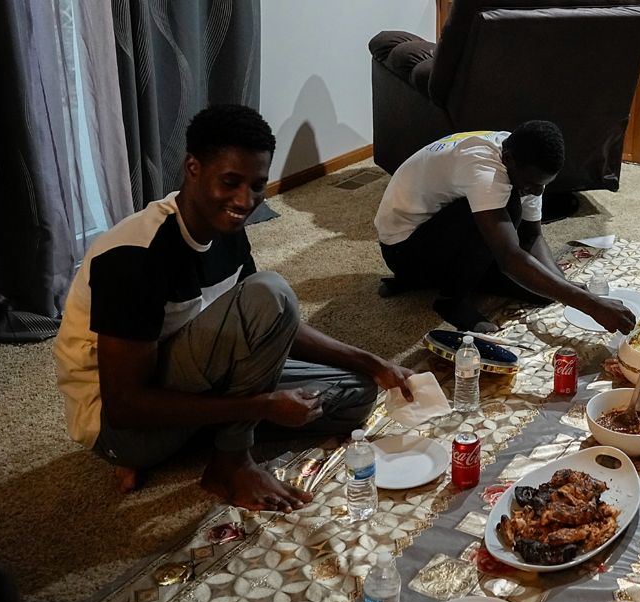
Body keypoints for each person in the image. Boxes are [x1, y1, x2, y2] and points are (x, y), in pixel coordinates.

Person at [54, 105, 414, 512]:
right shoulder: (135, 257)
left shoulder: (224, 228)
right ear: (193, 168)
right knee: (271, 292)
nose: (246, 200)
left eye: (257, 185)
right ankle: (230, 461)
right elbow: (125, 405)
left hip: (196, 376)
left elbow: (273, 326)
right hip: (119, 425)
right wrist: (259, 406)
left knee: (356, 394)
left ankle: (201, 434)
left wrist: (372, 362)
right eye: (230, 182)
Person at [374, 121, 635, 334]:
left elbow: (532, 236)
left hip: (441, 242)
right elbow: (510, 257)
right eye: (533, 183)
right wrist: (590, 305)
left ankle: (446, 278)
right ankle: (450, 301)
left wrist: (566, 286)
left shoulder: (525, 162)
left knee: (546, 292)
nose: (538, 190)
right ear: (508, 159)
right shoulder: (483, 169)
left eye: (544, 184)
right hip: (404, 250)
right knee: (507, 208)